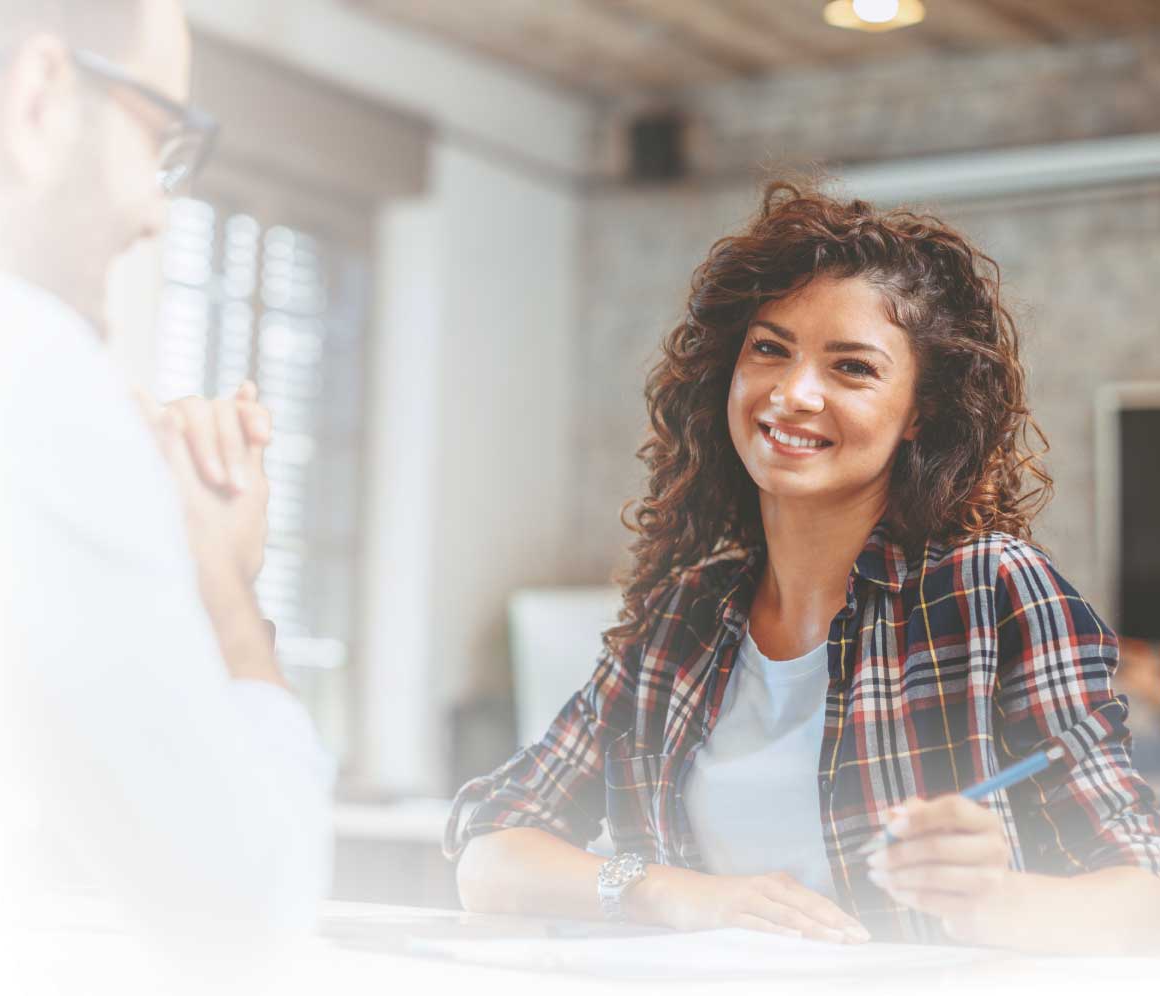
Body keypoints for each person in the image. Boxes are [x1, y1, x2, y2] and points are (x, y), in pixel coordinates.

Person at [444, 181, 1160, 954]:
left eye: (851, 368)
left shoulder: (990, 589)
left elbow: (1141, 895)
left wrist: (994, 902)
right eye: (770, 349)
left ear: (920, 410)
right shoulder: (688, 616)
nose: (792, 393)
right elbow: (488, 849)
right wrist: (672, 894)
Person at [0, 0, 334, 988]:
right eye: (159, 138)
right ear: (39, 95)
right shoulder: (5, 353)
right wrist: (218, 578)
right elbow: (244, 912)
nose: (156, 210)